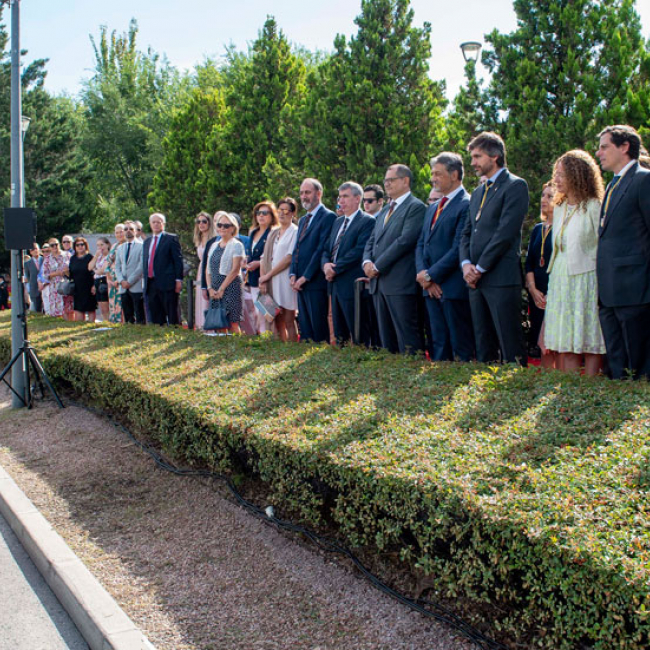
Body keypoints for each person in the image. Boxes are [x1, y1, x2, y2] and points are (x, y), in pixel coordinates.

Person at [459, 131, 529, 365]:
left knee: (510, 344)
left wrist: (479, 268)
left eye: (477, 157)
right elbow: (466, 232)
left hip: (500, 277)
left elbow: (505, 233)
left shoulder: (515, 186)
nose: (473, 163)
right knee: (483, 344)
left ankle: (517, 384)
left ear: (495, 156)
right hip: (475, 280)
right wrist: (466, 265)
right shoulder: (478, 192)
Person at [543, 150, 605, 375]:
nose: (556, 180)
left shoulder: (594, 205)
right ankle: (570, 387)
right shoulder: (559, 206)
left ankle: (589, 385)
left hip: (585, 277)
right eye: (555, 174)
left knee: (588, 334)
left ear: (577, 175)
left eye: (562, 174)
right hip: (560, 275)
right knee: (565, 337)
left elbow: (601, 245)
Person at [596, 124, 650, 379]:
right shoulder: (612, 185)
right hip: (609, 289)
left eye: (604, 147)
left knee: (638, 366)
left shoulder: (643, 180)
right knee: (617, 365)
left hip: (635, 288)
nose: (599, 153)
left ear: (625, 147)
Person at [416, 152, 474, 362]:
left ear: (454, 175)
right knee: (438, 344)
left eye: (438, 174)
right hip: (430, 288)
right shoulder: (433, 207)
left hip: (452, 288)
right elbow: (422, 243)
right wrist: (424, 276)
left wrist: (431, 275)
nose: (433, 178)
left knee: (460, 347)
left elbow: (459, 247)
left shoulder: (467, 204)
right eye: (432, 174)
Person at [363, 164, 426, 354]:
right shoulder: (384, 211)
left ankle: (411, 370)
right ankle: (390, 371)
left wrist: (377, 266)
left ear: (405, 181)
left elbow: (404, 241)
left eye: (391, 180)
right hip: (379, 284)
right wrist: (366, 262)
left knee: (407, 339)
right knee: (386, 341)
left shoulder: (415, 207)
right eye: (385, 181)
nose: (387, 184)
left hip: (399, 283)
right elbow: (372, 240)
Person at [321, 182, 374, 346]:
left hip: (352, 285)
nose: (341, 201)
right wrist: (326, 265)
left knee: (358, 333)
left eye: (345, 196)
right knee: (340, 335)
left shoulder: (367, 221)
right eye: (339, 197)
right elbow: (326, 249)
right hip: (334, 284)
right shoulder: (338, 222)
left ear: (357, 199)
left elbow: (358, 251)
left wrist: (335, 268)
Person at [290, 178, 337, 343]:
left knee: (318, 332)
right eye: (301, 193)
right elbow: (296, 248)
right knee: (305, 331)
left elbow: (321, 250)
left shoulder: (328, 217)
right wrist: (292, 273)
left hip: (316, 281)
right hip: (299, 283)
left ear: (319, 194)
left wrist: (305, 277)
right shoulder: (303, 219)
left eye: (307, 192)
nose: (304, 196)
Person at [259, 198, 299, 342]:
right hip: (270, 282)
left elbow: (289, 258)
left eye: (286, 210)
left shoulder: (295, 231)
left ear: (293, 213)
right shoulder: (273, 232)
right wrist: (263, 279)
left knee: (289, 319)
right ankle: (278, 349)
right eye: (279, 210)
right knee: (275, 319)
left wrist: (268, 275)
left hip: (285, 281)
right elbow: (264, 258)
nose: (282, 213)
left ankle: (292, 350)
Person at [525, 182, 556, 366]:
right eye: (543, 195)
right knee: (539, 339)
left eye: (550, 196)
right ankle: (544, 376)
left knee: (553, 341)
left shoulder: (562, 228)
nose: (544, 199)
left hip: (555, 292)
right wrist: (533, 289)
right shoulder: (538, 228)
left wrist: (549, 293)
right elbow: (529, 262)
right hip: (536, 293)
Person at [205, 212, 244, 333]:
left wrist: (222, 289)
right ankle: (222, 345)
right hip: (214, 287)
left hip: (231, 287)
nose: (222, 228)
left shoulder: (237, 245)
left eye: (226, 225)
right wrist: (210, 288)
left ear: (233, 228)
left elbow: (235, 270)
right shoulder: (213, 245)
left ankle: (237, 344)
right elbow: (208, 269)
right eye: (219, 225)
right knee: (218, 322)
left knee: (232, 322)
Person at [142, 213, 184, 326]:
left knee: (172, 313)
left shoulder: (171, 239)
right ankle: (159, 333)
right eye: (153, 222)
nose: (156, 224)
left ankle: (174, 333)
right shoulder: (147, 242)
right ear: (150, 224)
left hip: (167, 283)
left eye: (158, 222)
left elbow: (178, 260)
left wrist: (178, 279)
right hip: (151, 282)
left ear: (163, 224)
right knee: (156, 314)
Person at [245, 202, 279, 334]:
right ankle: (264, 338)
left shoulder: (274, 232)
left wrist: (258, 263)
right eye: (258, 213)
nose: (261, 216)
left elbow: (275, 256)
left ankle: (271, 339)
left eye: (265, 213)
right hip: (253, 279)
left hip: (268, 278)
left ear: (272, 215)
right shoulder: (253, 232)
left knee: (268, 314)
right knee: (258, 312)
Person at [115, 220, 145, 324]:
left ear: (136, 231)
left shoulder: (142, 246)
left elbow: (141, 266)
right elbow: (117, 266)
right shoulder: (120, 248)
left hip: (136, 286)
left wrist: (130, 281)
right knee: (128, 317)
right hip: (123, 287)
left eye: (131, 229)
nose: (128, 231)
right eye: (126, 229)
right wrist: (121, 280)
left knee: (140, 316)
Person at [193, 211, 216, 329]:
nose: (201, 224)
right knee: (201, 299)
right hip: (201, 270)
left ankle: (210, 326)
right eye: (198, 222)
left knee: (208, 298)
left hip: (210, 270)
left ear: (209, 223)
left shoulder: (214, 238)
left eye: (204, 221)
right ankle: (201, 326)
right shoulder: (199, 238)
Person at [67, 237, 97, 322]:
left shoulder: (90, 257)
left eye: (82, 244)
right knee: (78, 309)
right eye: (77, 245)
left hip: (89, 287)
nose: (80, 247)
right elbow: (71, 273)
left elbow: (95, 273)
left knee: (91, 309)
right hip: (77, 288)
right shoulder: (73, 258)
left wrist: (94, 285)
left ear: (85, 246)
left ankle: (91, 325)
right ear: (75, 247)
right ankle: (80, 326)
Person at [40, 239, 68, 317]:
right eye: (52, 245)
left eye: (56, 244)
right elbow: (45, 275)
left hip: (67, 285)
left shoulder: (67, 255)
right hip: (54, 287)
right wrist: (56, 273)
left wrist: (66, 271)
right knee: (56, 310)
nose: (55, 246)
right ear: (50, 247)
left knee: (68, 309)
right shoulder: (47, 259)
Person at [105, 224, 125, 323]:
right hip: (111, 280)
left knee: (122, 304)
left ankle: (123, 324)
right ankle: (114, 323)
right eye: (117, 232)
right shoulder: (114, 245)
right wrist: (108, 278)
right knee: (113, 303)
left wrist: (119, 279)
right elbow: (108, 263)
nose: (119, 234)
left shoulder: (127, 245)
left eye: (121, 232)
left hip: (121, 279)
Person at [89, 237, 111, 322]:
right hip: (97, 281)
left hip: (105, 280)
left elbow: (102, 270)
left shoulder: (109, 256)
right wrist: (96, 256)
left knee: (106, 304)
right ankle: (105, 321)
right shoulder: (98, 257)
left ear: (107, 245)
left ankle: (109, 321)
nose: (100, 247)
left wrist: (95, 270)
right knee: (101, 305)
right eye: (98, 245)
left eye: (102, 245)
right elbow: (90, 267)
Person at [24, 244, 43, 313]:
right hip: (34, 289)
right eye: (32, 249)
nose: (35, 251)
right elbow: (28, 277)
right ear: (30, 252)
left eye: (36, 248)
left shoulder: (44, 259)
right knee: (37, 309)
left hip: (45, 286)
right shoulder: (27, 263)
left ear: (39, 249)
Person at [38, 243, 51, 315]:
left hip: (50, 286)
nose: (45, 253)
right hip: (43, 287)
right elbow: (40, 274)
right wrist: (39, 282)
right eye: (43, 251)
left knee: (51, 307)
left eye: (47, 251)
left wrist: (44, 283)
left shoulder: (52, 260)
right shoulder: (42, 261)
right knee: (46, 308)